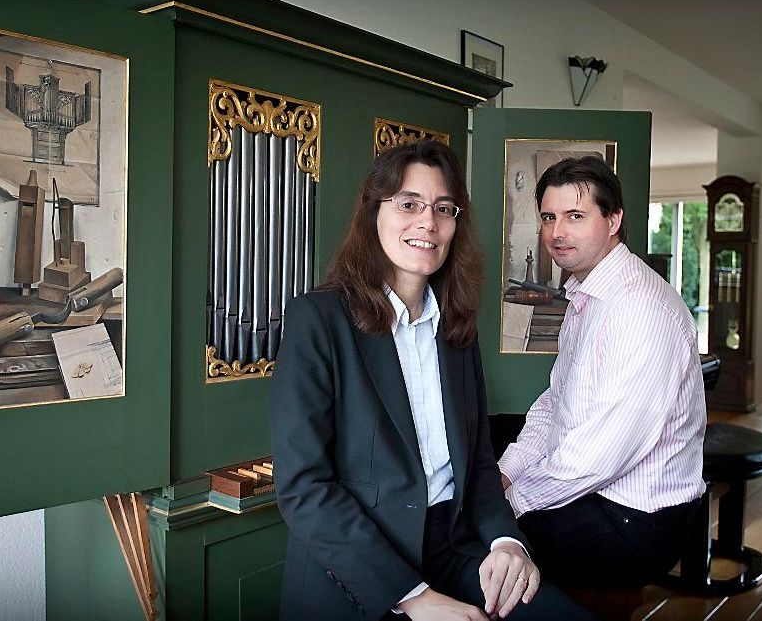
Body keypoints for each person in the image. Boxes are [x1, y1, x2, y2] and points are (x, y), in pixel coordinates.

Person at [271, 141, 595, 621]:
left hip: (455, 546)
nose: (428, 222)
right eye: (408, 204)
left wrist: (506, 542)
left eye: (444, 209)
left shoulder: (456, 327)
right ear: (373, 214)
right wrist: (413, 596)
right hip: (361, 566)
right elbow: (304, 489)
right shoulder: (318, 320)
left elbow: (479, 463)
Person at [499, 155, 707, 589]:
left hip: (637, 520)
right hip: (598, 491)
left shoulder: (639, 310)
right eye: (549, 217)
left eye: (576, 216)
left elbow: (599, 456)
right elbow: (555, 404)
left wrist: (509, 503)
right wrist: (506, 471)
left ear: (613, 220)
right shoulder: (588, 293)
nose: (557, 233)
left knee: (481, 540)